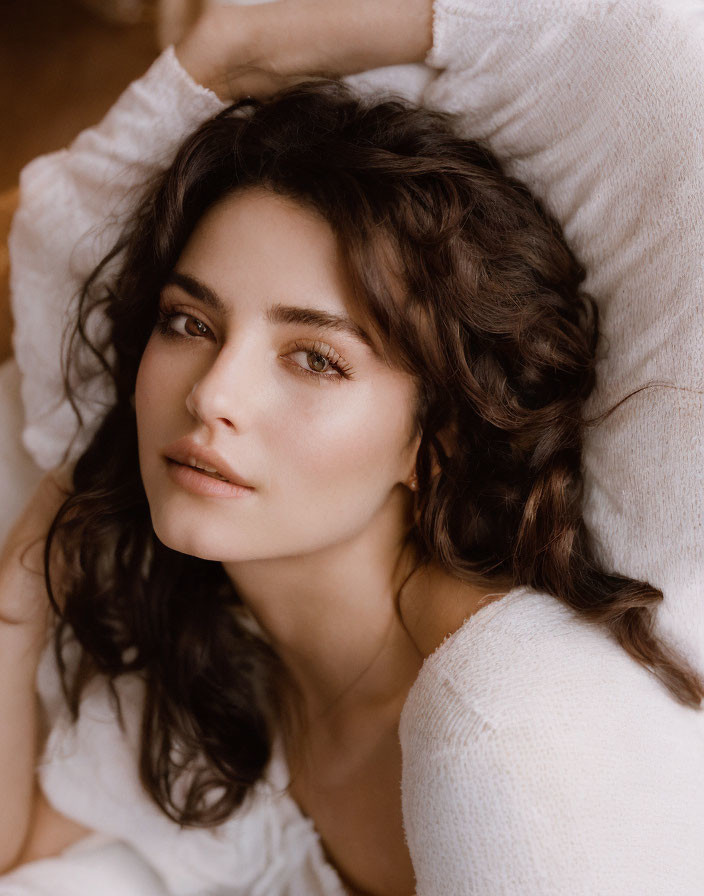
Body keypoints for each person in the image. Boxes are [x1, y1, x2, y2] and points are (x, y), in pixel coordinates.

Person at [1, 1, 703, 894]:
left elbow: (657, 49)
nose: (211, 394)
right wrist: (16, 606)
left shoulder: (507, 723)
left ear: (435, 440)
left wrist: (235, 48)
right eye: (189, 320)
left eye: (316, 358)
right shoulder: (229, 677)